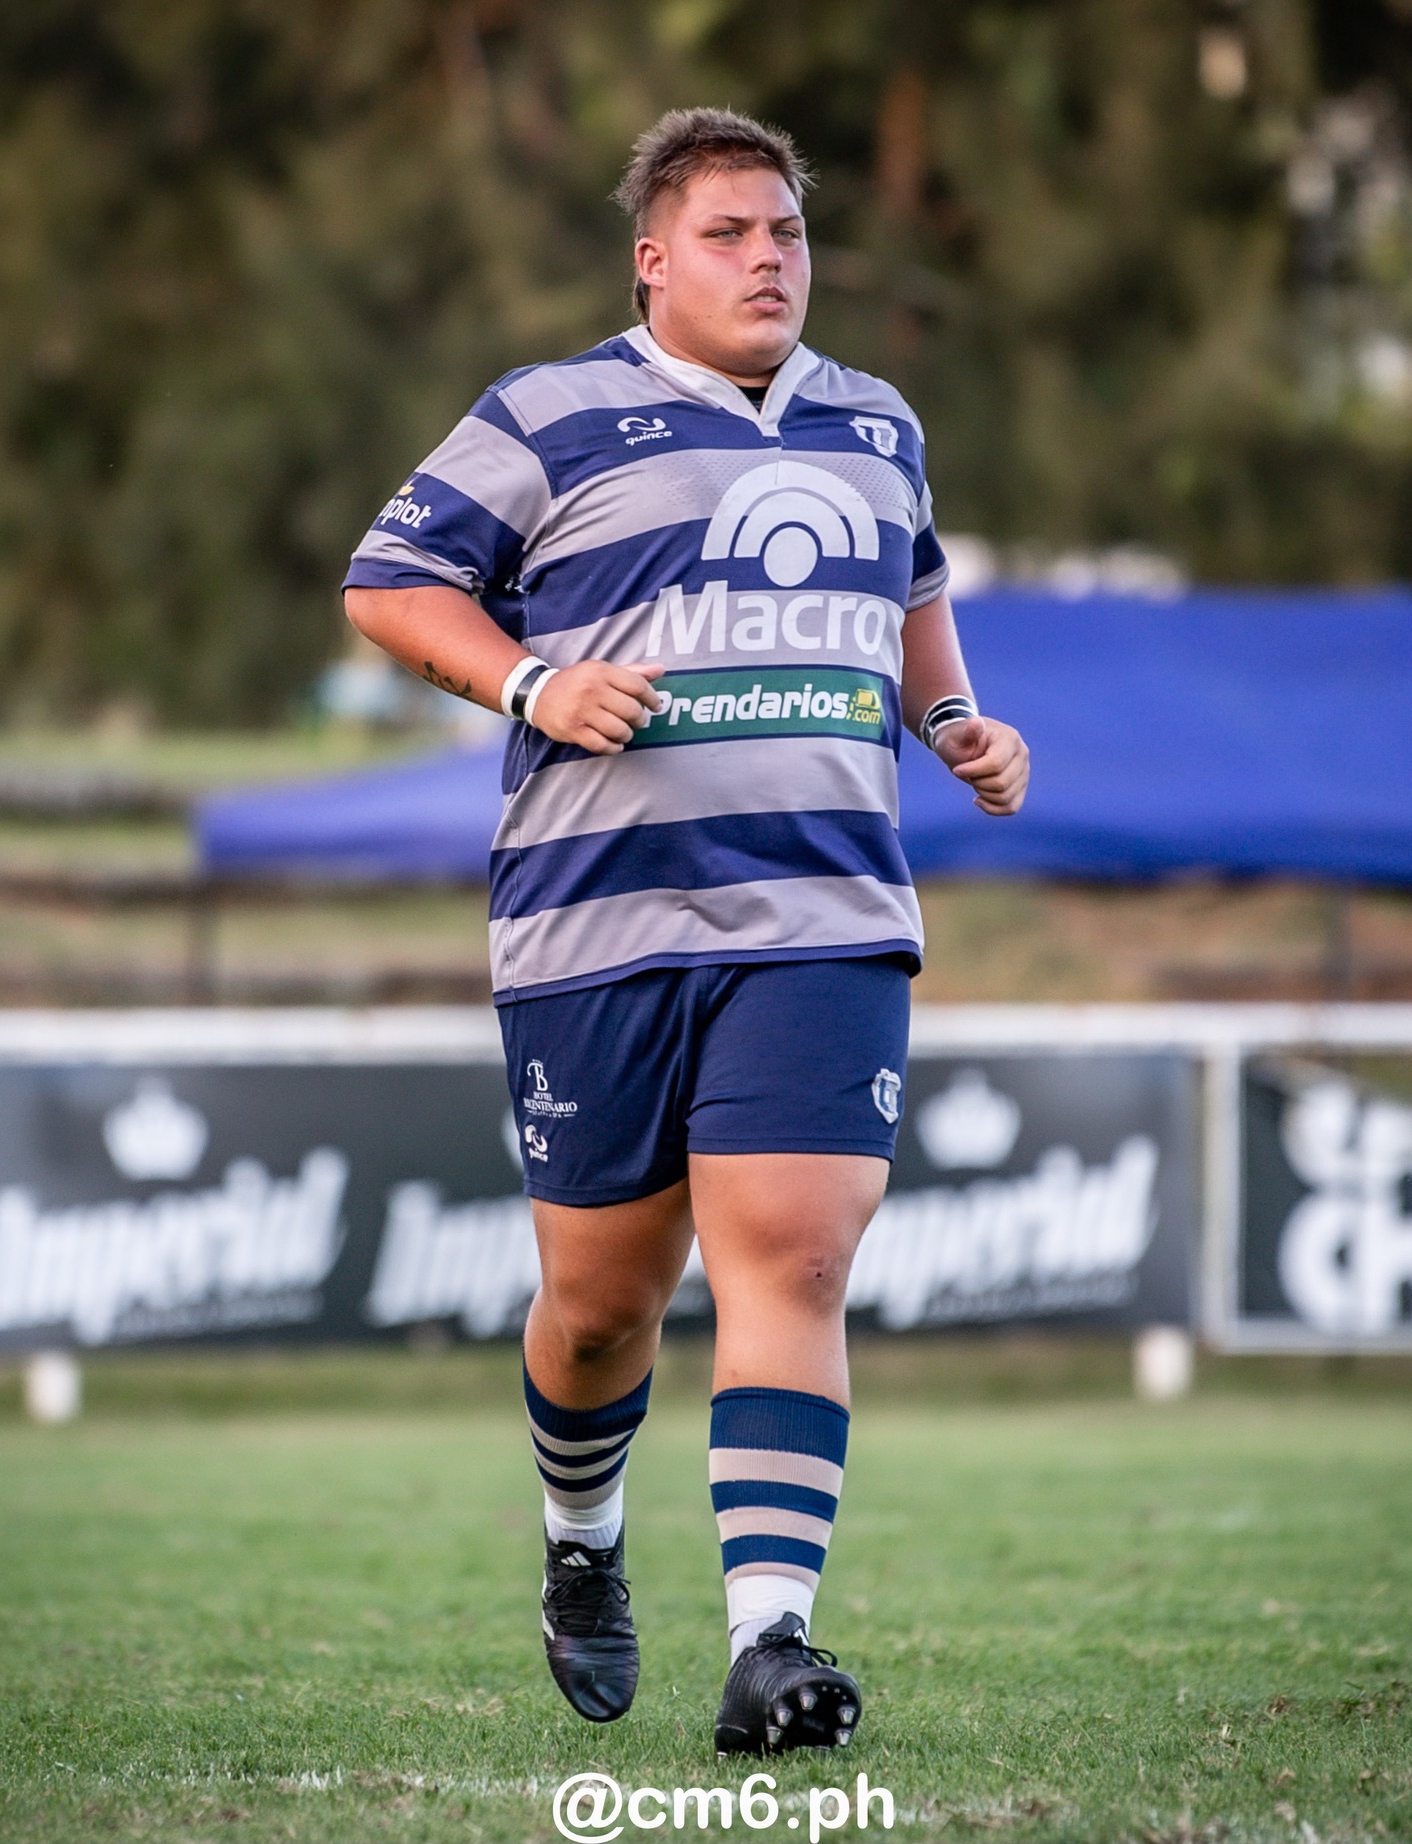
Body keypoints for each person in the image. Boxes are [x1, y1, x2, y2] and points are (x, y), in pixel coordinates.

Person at [340, 108, 1029, 1752]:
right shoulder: (547, 412)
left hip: (823, 913)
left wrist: (951, 720)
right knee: (599, 1306)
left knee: (793, 1253)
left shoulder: (875, 421)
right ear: (653, 259)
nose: (768, 259)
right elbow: (388, 582)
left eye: (786, 231)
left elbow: (912, 594)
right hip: (597, 925)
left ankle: (769, 1640)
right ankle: (580, 1540)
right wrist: (530, 680)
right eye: (728, 234)